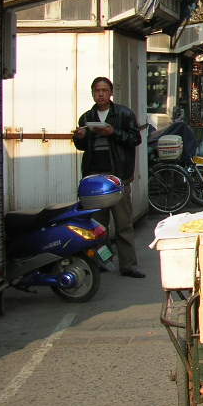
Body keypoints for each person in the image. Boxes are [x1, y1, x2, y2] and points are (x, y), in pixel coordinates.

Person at [72, 76, 144, 278]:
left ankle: (128, 265)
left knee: (123, 223)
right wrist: (79, 138)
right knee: (98, 225)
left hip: (118, 177)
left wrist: (113, 132)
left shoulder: (123, 114)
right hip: (95, 178)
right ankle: (102, 261)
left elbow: (135, 139)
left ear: (111, 93)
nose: (101, 94)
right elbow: (83, 147)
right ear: (93, 94)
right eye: (97, 91)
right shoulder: (86, 117)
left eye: (104, 90)